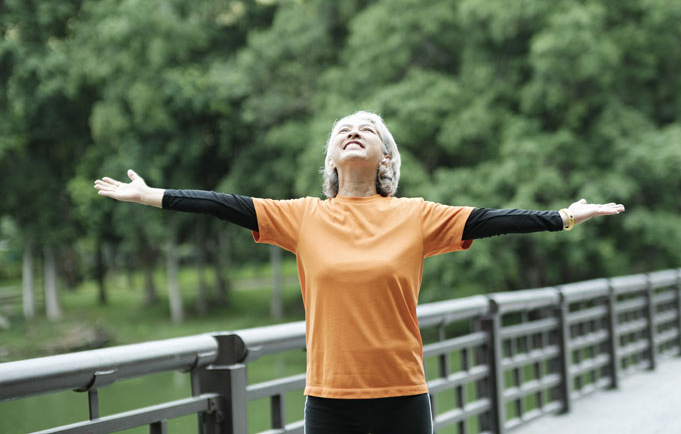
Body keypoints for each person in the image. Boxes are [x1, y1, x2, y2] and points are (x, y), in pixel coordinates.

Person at [94, 110, 624, 434]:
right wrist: (153, 196)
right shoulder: (302, 217)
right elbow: (223, 205)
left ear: (385, 158)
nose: (353, 132)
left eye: (366, 130)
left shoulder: (416, 215)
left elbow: (490, 220)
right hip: (330, 398)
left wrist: (563, 217)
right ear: (331, 160)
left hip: (402, 393)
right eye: (343, 130)